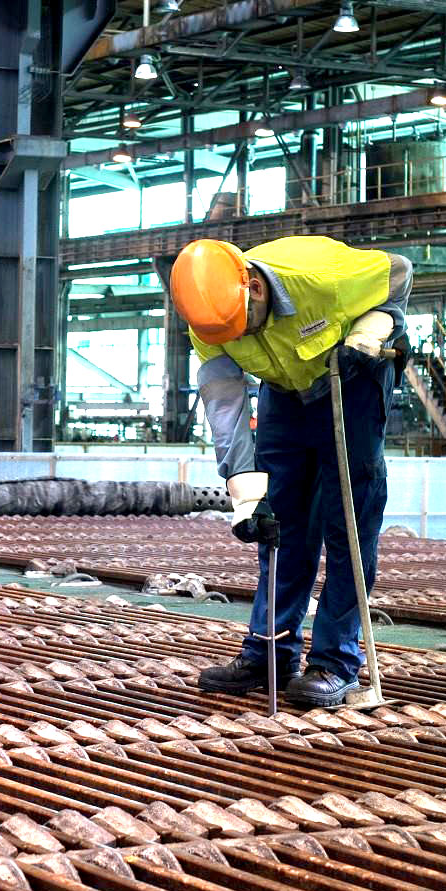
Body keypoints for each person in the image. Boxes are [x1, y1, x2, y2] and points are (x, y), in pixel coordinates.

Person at [168, 234, 410, 708]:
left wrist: (371, 329)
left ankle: (335, 663)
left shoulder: (321, 278)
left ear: (254, 289)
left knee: (348, 528)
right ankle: (269, 653)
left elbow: (399, 273)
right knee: (281, 527)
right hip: (285, 388)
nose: (240, 340)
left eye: (244, 328)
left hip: (353, 378)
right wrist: (244, 496)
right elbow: (226, 408)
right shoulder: (211, 320)